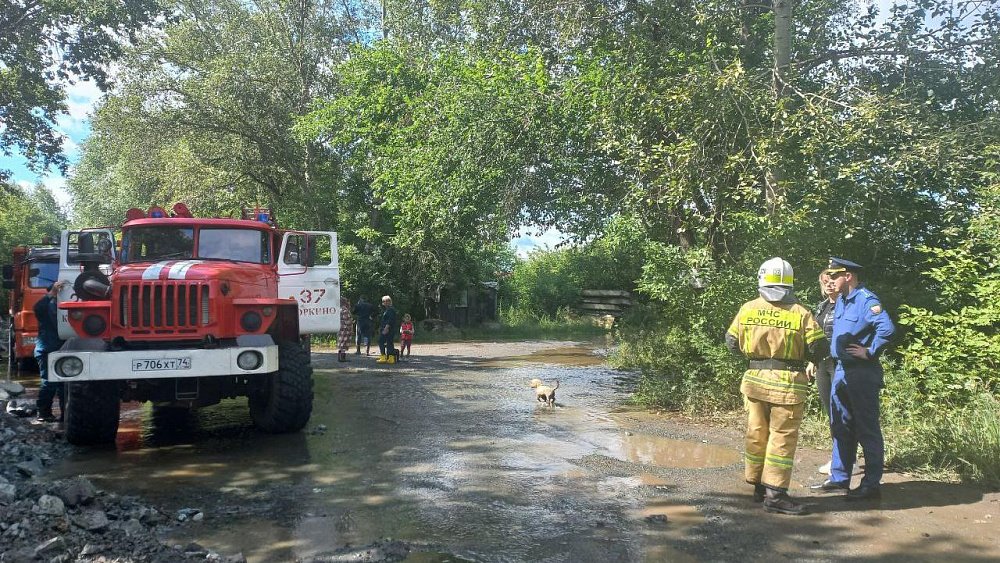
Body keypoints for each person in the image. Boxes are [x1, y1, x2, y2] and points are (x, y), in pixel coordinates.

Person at [726, 258, 826, 515]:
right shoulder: (800, 313)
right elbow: (819, 348)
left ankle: (758, 486)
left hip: (755, 381)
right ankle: (776, 495)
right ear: (789, 283)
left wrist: (756, 355)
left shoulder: (747, 309)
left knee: (756, 433)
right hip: (787, 385)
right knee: (782, 438)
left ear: (761, 280)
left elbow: (731, 342)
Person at [811, 258, 895, 501]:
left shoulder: (865, 300)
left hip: (861, 372)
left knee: (866, 428)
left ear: (847, 276)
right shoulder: (841, 303)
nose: (829, 280)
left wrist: (869, 351)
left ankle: (871, 485)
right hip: (840, 371)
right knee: (840, 426)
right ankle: (839, 479)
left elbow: (886, 329)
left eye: (834, 276)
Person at [806, 270, 838, 475]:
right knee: (831, 412)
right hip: (822, 365)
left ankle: (845, 458)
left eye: (832, 280)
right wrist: (812, 361)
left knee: (842, 411)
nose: (828, 284)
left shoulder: (847, 305)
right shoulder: (822, 307)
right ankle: (840, 456)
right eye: (824, 281)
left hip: (839, 364)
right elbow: (817, 338)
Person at [34, 280, 67, 422]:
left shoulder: (61, 307)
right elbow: (38, 308)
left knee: (63, 385)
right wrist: (52, 294)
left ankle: (64, 415)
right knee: (49, 382)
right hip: (47, 349)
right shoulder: (46, 305)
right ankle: (43, 412)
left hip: (57, 349)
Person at [376, 295, 398, 364]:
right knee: (389, 342)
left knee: (381, 341)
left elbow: (390, 320)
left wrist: (386, 328)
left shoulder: (391, 310)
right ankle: (390, 358)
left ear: (389, 302)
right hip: (388, 328)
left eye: (386, 301)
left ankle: (384, 357)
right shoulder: (387, 310)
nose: (384, 303)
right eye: (383, 301)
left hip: (388, 329)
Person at [337, 297, 353, 362]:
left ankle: (339, 357)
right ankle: (342, 358)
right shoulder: (345, 310)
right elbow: (347, 320)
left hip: (340, 327)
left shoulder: (339, 309)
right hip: (345, 329)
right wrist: (351, 322)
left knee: (341, 342)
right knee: (344, 342)